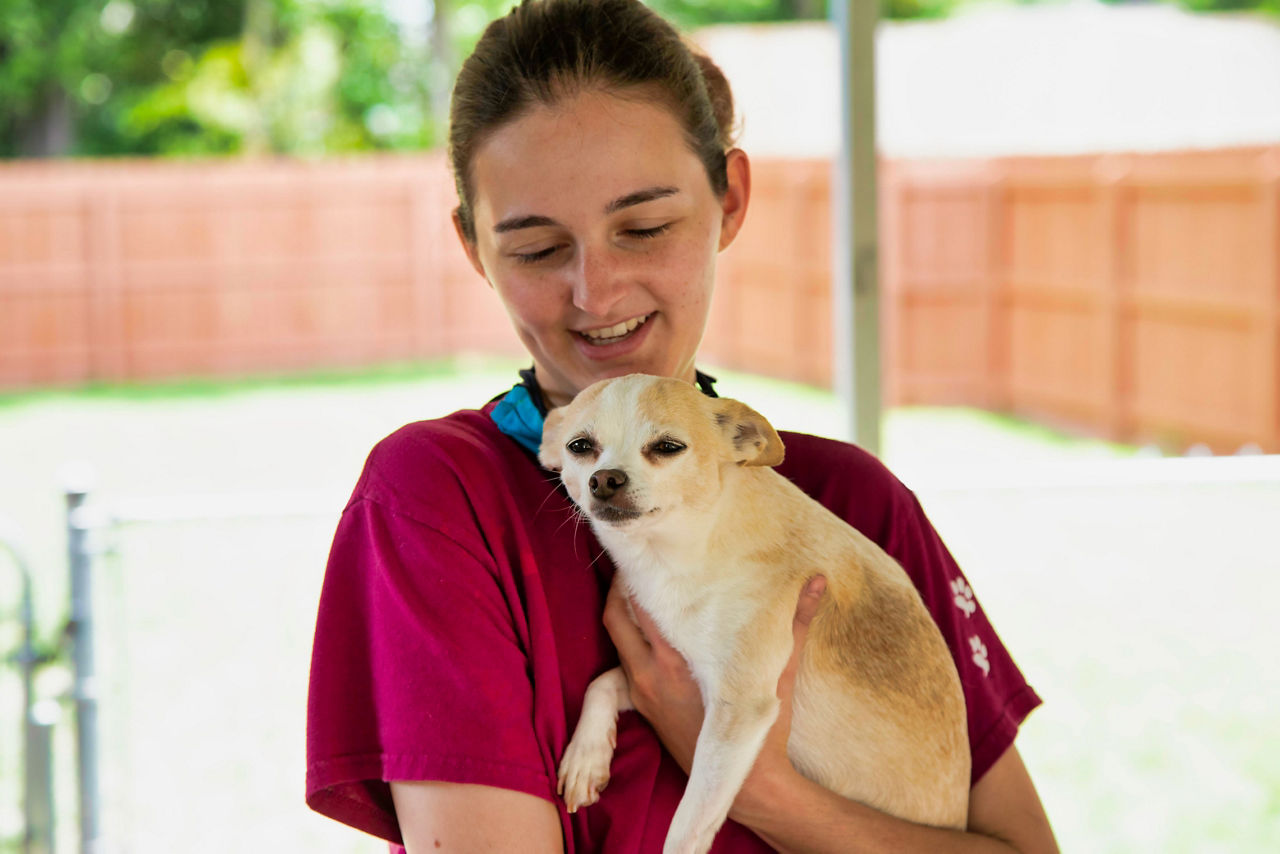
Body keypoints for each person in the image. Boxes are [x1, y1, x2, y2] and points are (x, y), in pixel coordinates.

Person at [306, 0, 1059, 851]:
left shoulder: (848, 503)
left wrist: (770, 793)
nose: (597, 292)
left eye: (645, 227)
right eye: (537, 249)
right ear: (474, 247)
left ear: (730, 200)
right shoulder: (442, 499)